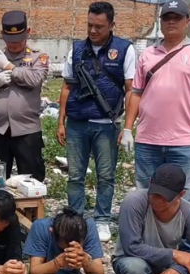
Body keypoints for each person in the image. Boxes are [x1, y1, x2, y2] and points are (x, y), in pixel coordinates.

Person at [122, 0, 190, 213]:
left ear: (187, 21)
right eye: (167, 17)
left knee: (187, 195)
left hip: (183, 142)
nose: (172, 22)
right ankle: (149, 240)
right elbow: (136, 93)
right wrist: (128, 129)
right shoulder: (148, 54)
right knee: (146, 193)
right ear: (161, 22)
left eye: (177, 18)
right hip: (148, 140)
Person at [57, 2, 136, 242]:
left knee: (106, 175)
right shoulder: (77, 48)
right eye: (90, 25)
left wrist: (128, 128)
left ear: (112, 25)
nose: (93, 31)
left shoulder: (125, 49)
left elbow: (131, 90)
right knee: (75, 175)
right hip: (77, 123)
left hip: (106, 124)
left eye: (99, 27)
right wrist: (61, 122)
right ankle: (75, 219)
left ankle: (102, 219)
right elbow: (66, 86)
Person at [0, 10, 49, 182]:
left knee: (31, 181)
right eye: (10, 39)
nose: (14, 44)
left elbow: (34, 80)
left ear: (28, 32)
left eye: (19, 39)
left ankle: (31, 210)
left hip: (27, 131)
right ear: (2, 34)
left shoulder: (38, 57)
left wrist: (8, 66)